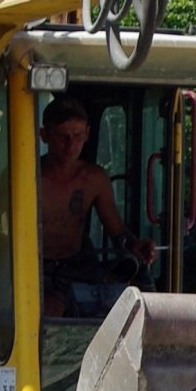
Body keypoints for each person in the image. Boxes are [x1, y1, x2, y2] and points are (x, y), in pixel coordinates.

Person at [36, 98, 139, 316]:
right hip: (32, 268)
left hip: (76, 269)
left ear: (88, 134)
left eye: (77, 136)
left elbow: (117, 231)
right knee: (48, 310)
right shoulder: (25, 176)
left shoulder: (94, 179)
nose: (70, 145)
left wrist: (136, 246)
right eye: (62, 136)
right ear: (44, 135)